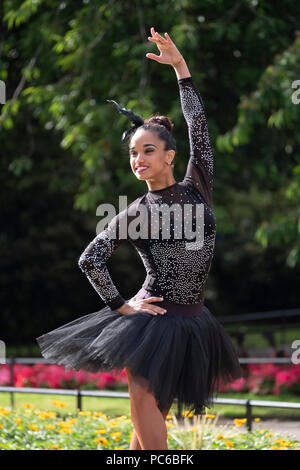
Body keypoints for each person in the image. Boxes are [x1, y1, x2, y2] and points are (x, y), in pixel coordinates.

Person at [36, 27, 242, 450]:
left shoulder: (198, 184)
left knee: (144, 433)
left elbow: (198, 125)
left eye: (148, 150)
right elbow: (90, 258)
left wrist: (180, 67)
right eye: (133, 152)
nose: (138, 159)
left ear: (169, 154)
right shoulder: (135, 213)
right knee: (153, 436)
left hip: (194, 322)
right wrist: (122, 306)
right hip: (151, 325)